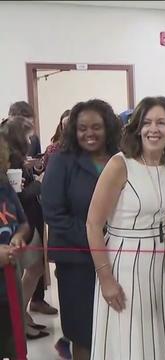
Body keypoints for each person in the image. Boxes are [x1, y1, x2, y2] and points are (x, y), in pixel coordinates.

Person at [86, 96, 165, 359]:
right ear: (137, 127)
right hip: (124, 264)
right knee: (130, 340)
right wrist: (106, 279)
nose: (154, 129)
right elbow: (94, 224)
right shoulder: (120, 164)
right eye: (148, 122)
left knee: (158, 336)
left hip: (159, 265)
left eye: (161, 122)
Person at [41, 99, 122, 360]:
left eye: (96, 127)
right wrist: (95, 238)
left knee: (117, 330)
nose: (89, 133)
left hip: (120, 258)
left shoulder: (120, 158)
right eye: (82, 128)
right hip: (76, 262)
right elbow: (53, 213)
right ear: (73, 130)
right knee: (84, 333)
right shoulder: (61, 160)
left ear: (108, 127)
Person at [0, 117, 51, 340]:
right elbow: (19, 197)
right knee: (29, 269)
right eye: (29, 135)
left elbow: (17, 198)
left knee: (33, 268)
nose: (32, 139)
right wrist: (40, 182)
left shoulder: (16, 160)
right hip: (21, 222)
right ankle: (19, 316)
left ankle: (21, 316)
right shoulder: (9, 162)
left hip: (25, 223)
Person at [0, 134, 29, 360]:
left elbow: (23, 223)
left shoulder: (5, 188)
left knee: (15, 344)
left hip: (10, 283)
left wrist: (18, 237)